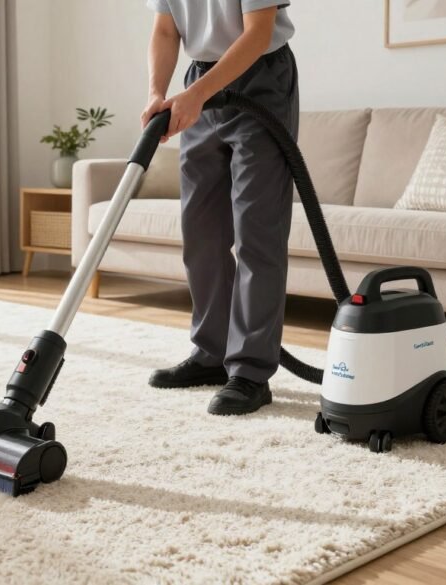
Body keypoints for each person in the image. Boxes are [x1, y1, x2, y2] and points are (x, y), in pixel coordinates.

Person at [142, 0, 298, 415]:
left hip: (260, 75)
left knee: (257, 233)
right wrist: (159, 92)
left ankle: (250, 370)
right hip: (200, 79)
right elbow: (164, 30)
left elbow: (258, 32)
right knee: (202, 232)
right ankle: (211, 354)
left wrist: (195, 94)